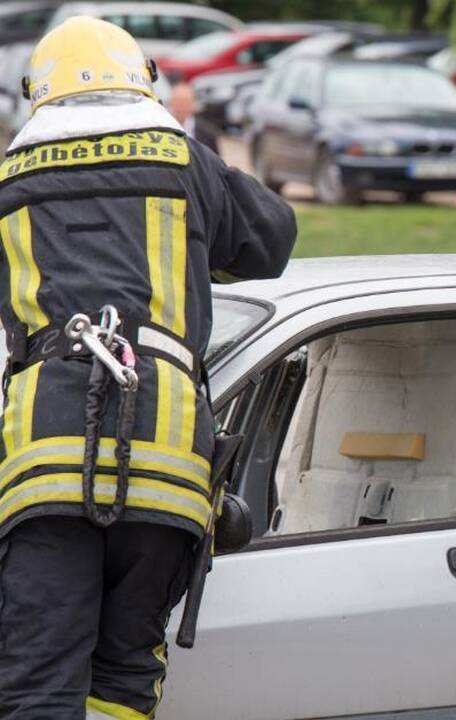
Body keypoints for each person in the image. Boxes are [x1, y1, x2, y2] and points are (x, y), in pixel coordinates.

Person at [0, 16, 296, 719]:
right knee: (126, 671)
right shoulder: (182, 160)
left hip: (44, 461)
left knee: (37, 677)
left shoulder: (8, 182)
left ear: (34, 94)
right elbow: (270, 242)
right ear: (144, 83)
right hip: (164, 457)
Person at [170, 81, 219, 154]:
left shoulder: (207, 132)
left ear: (193, 105)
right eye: (177, 103)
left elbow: (215, 161)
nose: (180, 108)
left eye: (184, 103)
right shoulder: (162, 128)